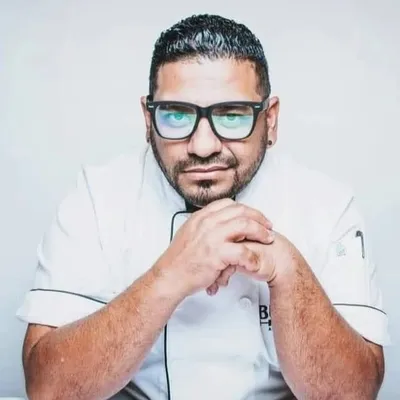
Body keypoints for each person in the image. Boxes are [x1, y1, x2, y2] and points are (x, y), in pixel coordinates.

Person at [17, 13, 390, 400]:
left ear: (271, 119)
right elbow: (48, 390)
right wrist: (170, 276)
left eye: (232, 115)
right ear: (147, 119)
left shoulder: (327, 207)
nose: (203, 146)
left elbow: (354, 393)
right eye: (176, 115)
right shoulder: (97, 198)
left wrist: (288, 270)